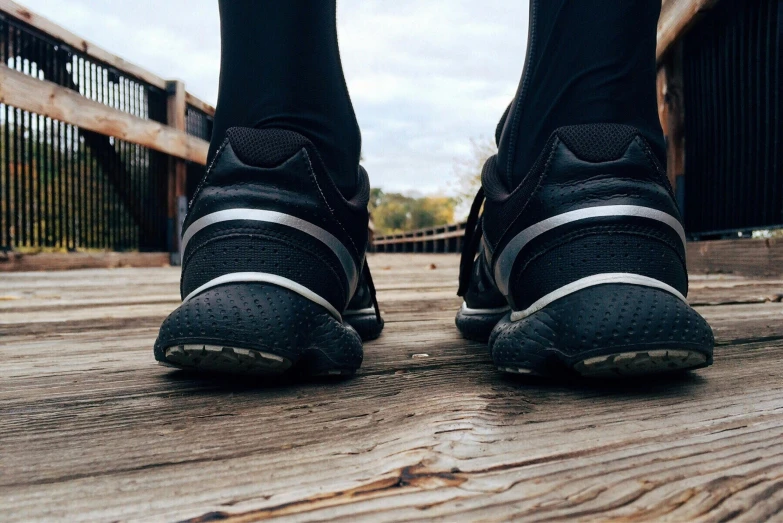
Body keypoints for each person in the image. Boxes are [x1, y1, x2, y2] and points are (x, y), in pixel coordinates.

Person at [153, 0, 714, 379]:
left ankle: (261, 193)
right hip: (635, 224)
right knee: (585, 98)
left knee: (276, 122)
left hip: (231, 230)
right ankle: (606, 195)